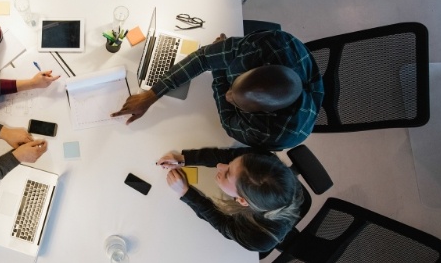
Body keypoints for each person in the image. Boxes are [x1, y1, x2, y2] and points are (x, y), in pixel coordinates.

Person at [112, 30, 324, 150]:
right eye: (236, 84)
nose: (227, 96)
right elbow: (203, 57)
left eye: (237, 102)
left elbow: (228, 123)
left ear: (263, 113)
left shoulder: (273, 134)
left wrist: (220, 72)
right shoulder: (271, 44)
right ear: (258, 67)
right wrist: (151, 95)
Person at [157, 147, 303, 252]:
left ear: (242, 201)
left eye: (227, 174)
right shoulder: (263, 159)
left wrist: (186, 193)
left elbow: (222, 224)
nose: (220, 166)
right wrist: (184, 159)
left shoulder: (258, 238)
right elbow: (228, 155)